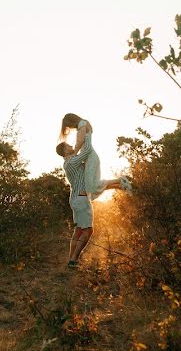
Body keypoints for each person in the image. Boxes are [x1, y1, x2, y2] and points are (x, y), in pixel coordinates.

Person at [56, 113, 133, 268]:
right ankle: (73, 260)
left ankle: (71, 260)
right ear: (65, 152)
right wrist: (88, 134)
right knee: (88, 231)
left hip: (76, 198)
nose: (71, 146)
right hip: (81, 197)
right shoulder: (71, 161)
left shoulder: (68, 163)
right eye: (68, 146)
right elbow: (87, 151)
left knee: (78, 230)